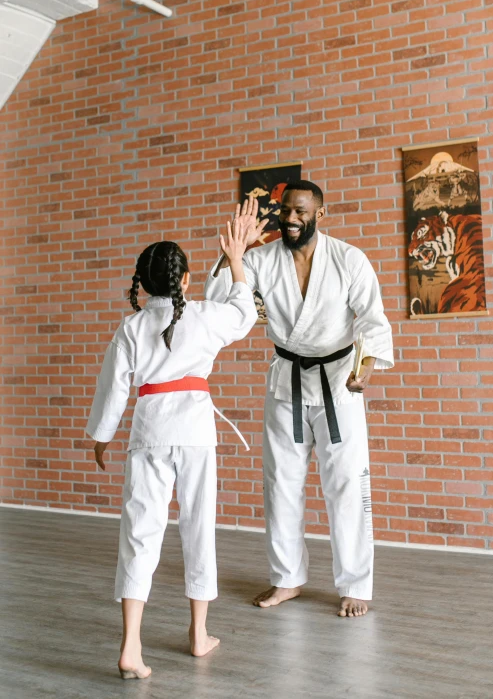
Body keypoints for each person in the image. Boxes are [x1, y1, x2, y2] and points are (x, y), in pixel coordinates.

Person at [205, 181, 394, 618]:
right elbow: (218, 303)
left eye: (301, 212)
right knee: (280, 485)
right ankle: (286, 579)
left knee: (346, 485)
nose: (290, 218)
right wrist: (232, 254)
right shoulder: (261, 259)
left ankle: (355, 585)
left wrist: (366, 367)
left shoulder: (349, 259)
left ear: (320, 214)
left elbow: (372, 317)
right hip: (286, 382)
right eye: (286, 210)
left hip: (338, 382)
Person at [86, 221, 257, 679]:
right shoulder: (203, 314)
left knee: (140, 532)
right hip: (196, 432)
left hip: (150, 430)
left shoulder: (132, 327)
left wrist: (102, 436)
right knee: (198, 527)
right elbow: (245, 313)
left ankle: (131, 647)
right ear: (185, 280)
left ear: (141, 284)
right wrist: (237, 258)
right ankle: (199, 634)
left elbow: (113, 389)